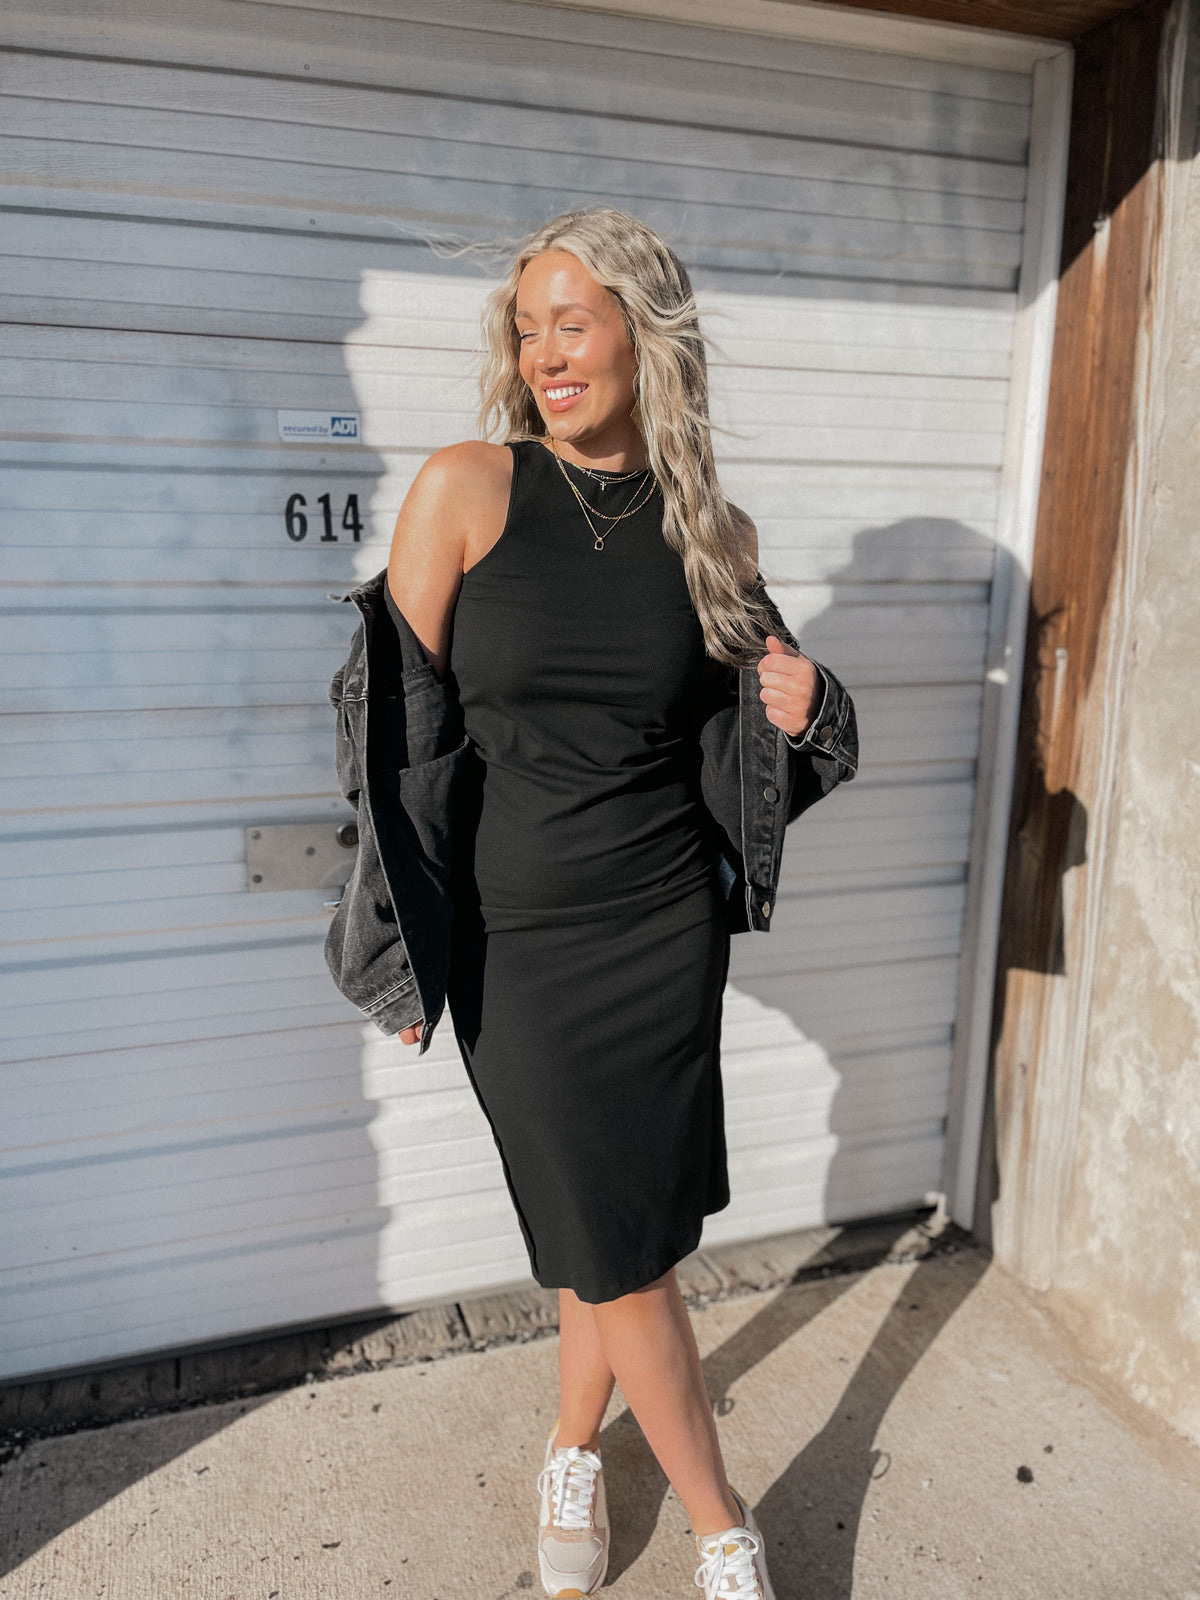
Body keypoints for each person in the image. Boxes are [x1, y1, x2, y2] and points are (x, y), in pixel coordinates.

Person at [376, 208, 857, 1600]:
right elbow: (395, 741)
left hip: (661, 931)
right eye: (527, 328)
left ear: (644, 338)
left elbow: (747, 749)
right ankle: (723, 1527)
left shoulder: (711, 531)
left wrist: (810, 707)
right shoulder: (467, 489)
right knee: (621, 1247)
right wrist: (402, 939)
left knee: (612, 1236)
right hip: (518, 943)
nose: (545, 353)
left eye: (572, 323)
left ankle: (574, 1449)